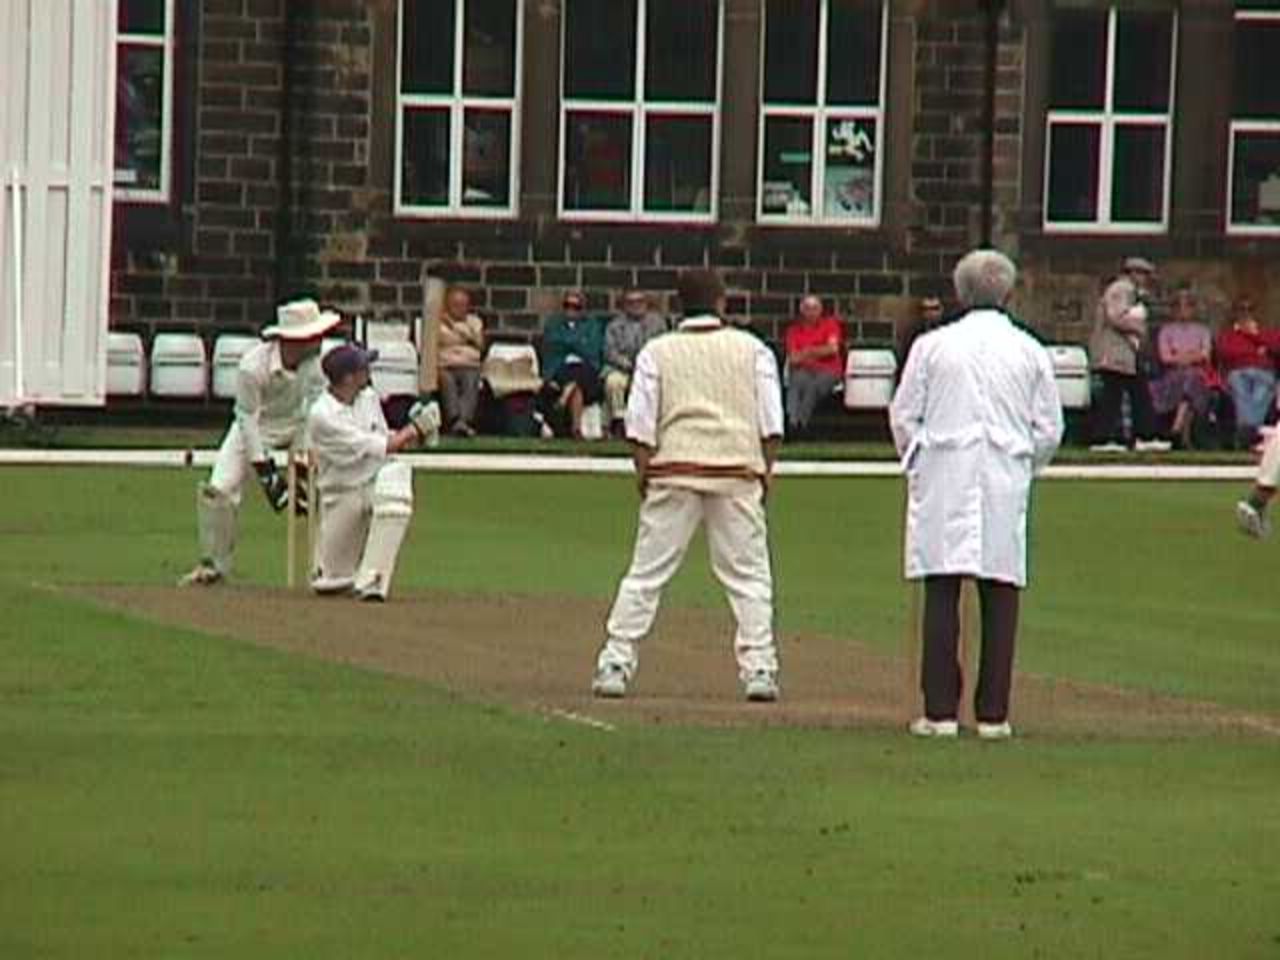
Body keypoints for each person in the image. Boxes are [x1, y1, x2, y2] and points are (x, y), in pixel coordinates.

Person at [889, 249, 1064, 740]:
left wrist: (920, 458)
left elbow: (904, 415)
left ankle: (941, 711)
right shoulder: (1030, 349)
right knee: (1000, 589)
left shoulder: (934, 346)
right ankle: (994, 714)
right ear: (1007, 293)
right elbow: (1049, 428)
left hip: (948, 467)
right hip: (1000, 472)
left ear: (960, 293)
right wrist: (1024, 463)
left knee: (943, 588)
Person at [590, 269, 785, 702]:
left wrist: (644, 474)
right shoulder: (753, 350)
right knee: (749, 576)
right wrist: (764, 472)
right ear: (721, 303)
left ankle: (616, 661)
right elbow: (772, 425)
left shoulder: (658, 352)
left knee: (646, 573)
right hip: (735, 472)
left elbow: (639, 427)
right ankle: (760, 669)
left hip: (674, 470)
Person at [180, 298, 341, 586]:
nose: (320, 340)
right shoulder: (252, 366)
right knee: (219, 489)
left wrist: (303, 469)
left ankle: (325, 568)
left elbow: (315, 411)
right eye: (314, 335)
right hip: (255, 426)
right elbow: (246, 418)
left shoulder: (320, 365)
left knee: (324, 490)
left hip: (298, 424)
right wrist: (267, 475)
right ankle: (213, 566)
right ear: (295, 339)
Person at [307, 345, 440, 601]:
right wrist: (414, 429)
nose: (368, 371)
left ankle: (373, 580)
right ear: (347, 377)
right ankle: (344, 573)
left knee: (396, 478)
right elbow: (377, 445)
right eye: (363, 368)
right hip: (341, 493)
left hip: (373, 482)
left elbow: (384, 439)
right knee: (330, 582)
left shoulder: (367, 397)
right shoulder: (322, 416)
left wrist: (417, 432)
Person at [1087, 257, 1170, 452]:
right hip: (1114, 352)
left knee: (1135, 392)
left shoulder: (1129, 292)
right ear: (1132, 273)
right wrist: (1139, 327)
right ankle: (1106, 438)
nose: (1145, 279)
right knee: (1116, 394)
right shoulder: (1121, 289)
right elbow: (1115, 317)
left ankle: (1142, 435)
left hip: (1124, 354)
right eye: (1142, 274)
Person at [1149, 288, 1219, 449]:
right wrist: (1191, 355)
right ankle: (1182, 435)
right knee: (1186, 381)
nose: (1183, 310)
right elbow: (1165, 357)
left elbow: (1205, 356)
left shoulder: (1203, 331)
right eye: (1179, 306)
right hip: (1172, 377)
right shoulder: (1166, 331)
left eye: (1187, 306)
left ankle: (1177, 428)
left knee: (1192, 379)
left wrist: (1180, 355)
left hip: (1200, 377)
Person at [602, 289, 667, 438]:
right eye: (631, 303)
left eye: (640, 302)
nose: (636, 306)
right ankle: (619, 421)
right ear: (625, 305)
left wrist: (644, 365)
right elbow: (610, 352)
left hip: (650, 369)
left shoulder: (657, 324)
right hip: (623, 368)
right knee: (613, 382)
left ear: (646, 303)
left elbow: (663, 347)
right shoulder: (615, 326)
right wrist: (627, 365)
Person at [1216, 296, 1280, 448]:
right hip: (1238, 372)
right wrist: (1257, 350)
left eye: (1250, 309)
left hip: (1264, 372)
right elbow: (1226, 352)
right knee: (1241, 391)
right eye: (1242, 309)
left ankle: (1245, 432)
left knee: (1261, 394)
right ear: (1235, 313)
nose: (1246, 313)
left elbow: (1276, 348)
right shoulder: (1228, 334)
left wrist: (1254, 335)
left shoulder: (1267, 332)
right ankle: (1252, 433)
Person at [540, 290, 605, 438]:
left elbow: (591, 350)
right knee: (576, 384)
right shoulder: (553, 324)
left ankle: (566, 394)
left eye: (576, 307)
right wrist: (578, 342)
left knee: (578, 374)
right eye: (567, 305)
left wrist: (566, 343)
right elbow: (551, 347)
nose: (571, 310)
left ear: (583, 309)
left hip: (587, 368)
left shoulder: (592, 325)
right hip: (560, 367)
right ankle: (576, 428)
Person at [783, 295, 845, 437]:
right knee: (796, 382)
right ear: (801, 311)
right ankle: (791, 423)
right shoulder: (793, 331)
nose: (811, 312)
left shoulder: (830, 325)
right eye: (808, 308)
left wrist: (807, 351)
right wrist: (819, 351)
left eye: (815, 308)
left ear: (821, 310)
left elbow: (832, 349)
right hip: (803, 370)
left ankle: (801, 425)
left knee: (813, 386)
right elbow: (793, 359)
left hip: (829, 372)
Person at [437, 285, 485, 437]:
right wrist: (465, 338)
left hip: (470, 364)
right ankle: (456, 421)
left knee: (471, 380)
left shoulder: (475, 322)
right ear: (447, 305)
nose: (460, 309)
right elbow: (440, 341)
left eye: (463, 305)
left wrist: (459, 333)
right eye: (455, 305)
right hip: (445, 364)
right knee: (447, 382)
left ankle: (462, 422)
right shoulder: (438, 322)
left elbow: (480, 344)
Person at [897, 295, 946, 367]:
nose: (930, 313)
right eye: (926, 309)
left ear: (941, 310)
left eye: (934, 309)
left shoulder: (948, 332)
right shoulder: (914, 335)